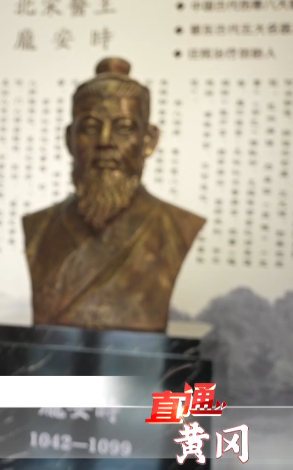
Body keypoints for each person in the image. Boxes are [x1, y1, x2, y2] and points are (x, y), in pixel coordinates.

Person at [22, 57, 205, 332]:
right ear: (70, 138)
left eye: (124, 128)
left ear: (149, 140)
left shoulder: (177, 227)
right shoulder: (39, 228)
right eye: (90, 128)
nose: (105, 142)